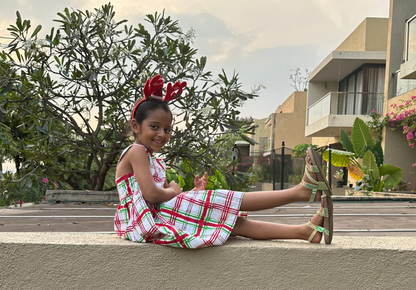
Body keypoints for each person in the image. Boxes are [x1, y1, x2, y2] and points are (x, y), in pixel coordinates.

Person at [114, 75, 333, 249]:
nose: (162, 134)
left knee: (232, 224)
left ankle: (306, 231)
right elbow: (153, 195)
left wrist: (188, 192)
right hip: (145, 223)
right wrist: (174, 191)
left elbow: (155, 199)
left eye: (167, 129)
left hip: (151, 219)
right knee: (229, 201)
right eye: (155, 127)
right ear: (136, 126)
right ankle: (301, 192)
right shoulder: (136, 151)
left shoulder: (149, 157)